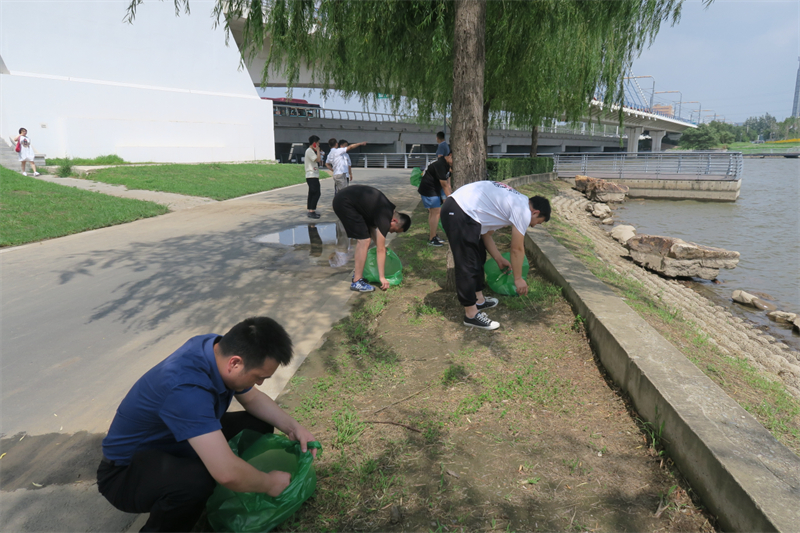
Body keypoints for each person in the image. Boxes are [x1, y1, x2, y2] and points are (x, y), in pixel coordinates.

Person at [97, 317, 317, 532]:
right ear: (235, 363)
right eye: (259, 376)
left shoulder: (215, 348)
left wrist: (293, 427)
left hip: (174, 443)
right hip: (125, 473)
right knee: (195, 483)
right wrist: (269, 483)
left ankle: (223, 488)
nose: (259, 383)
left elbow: (252, 399)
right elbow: (226, 473)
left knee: (257, 425)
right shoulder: (186, 390)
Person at [440, 181, 550, 330]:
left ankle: (479, 300)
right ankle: (471, 315)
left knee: (479, 255)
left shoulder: (512, 204)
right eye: (538, 222)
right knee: (467, 264)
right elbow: (517, 249)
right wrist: (518, 279)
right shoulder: (522, 210)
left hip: (465, 212)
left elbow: (486, 235)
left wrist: (499, 259)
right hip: (460, 211)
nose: (534, 225)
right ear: (535, 212)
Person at [332, 185, 411, 292]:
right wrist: (382, 277)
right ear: (394, 221)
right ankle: (357, 281)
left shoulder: (385, 210)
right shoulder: (385, 217)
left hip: (345, 199)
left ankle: (358, 275)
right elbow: (380, 250)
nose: (391, 232)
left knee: (365, 237)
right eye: (395, 230)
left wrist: (380, 246)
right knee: (364, 241)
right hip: (344, 203)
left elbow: (371, 228)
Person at [418, 149, 452, 247]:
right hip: (428, 190)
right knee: (436, 212)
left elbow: (448, 183)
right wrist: (451, 201)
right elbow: (444, 186)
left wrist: (450, 195)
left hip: (435, 190)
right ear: (450, 155)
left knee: (434, 213)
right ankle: (432, 239)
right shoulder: (440, 165)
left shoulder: (448, 164)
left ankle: (433, 235)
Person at [304, 136, 323, 219]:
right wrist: (318, 150)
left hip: (313, 175)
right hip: (311, 175)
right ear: (314, 143)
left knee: (312, 193)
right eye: (318, 143)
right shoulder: (309, 151)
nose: (319, 145)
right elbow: (318, 159)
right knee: (316, 193)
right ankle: (311, 210)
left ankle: (311, 210)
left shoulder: (310, 151)